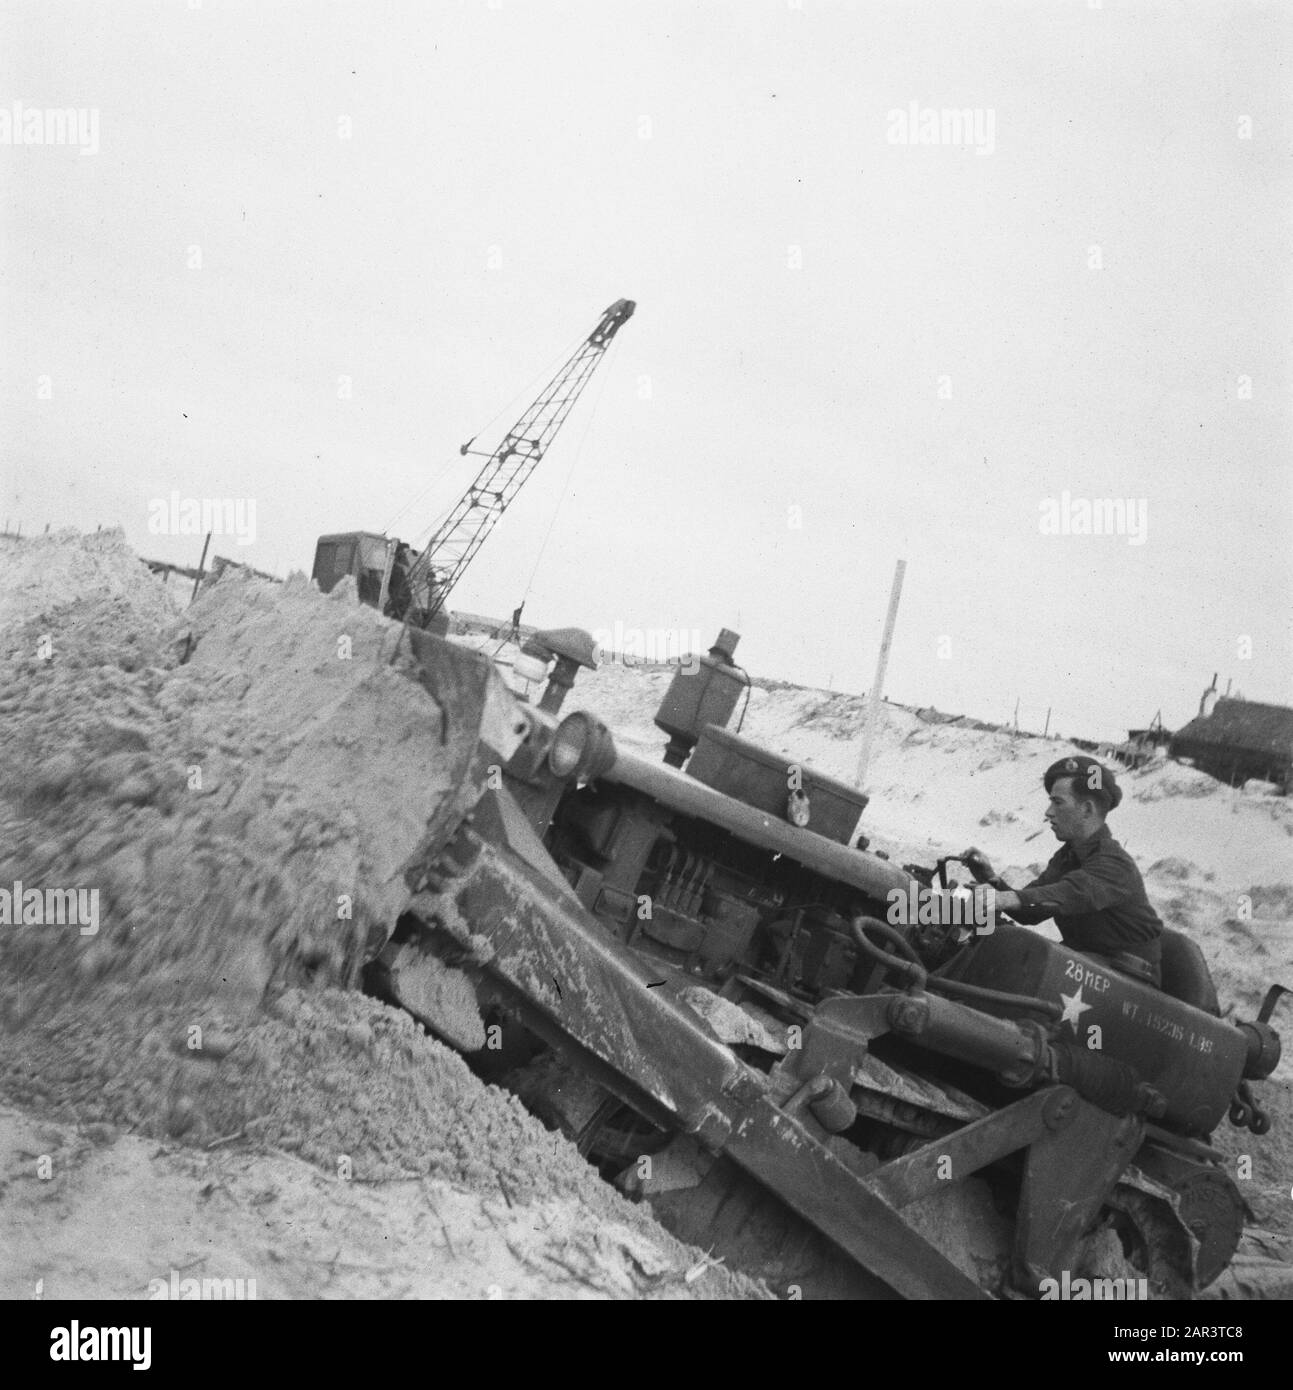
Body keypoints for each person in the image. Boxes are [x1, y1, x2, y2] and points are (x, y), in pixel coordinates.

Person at [963, 755, 1164, 987]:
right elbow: (1030, 911)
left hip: (1129, 984)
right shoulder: (1068, 856)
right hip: (1087, 969)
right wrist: (990, 878)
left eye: (1058, 803)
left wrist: (1006, 898)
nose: (1048, 812)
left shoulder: (1115, 864)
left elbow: (1072, 892)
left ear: (1087, 809)